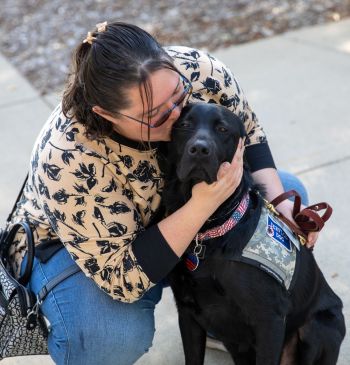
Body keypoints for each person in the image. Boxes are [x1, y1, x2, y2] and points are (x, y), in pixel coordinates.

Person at [8, 21, 317, 365]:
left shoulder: (199, 70)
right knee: (112, 337)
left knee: (289, 192)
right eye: (155, 116)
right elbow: (122, 276)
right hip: (85, 250)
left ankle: (222, 317)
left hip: (176, 207)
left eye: (179, 97)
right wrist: (202, 206)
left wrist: (282, 205)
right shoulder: (67, 156)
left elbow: (251, 132)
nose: (176, 117)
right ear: (106, 114)